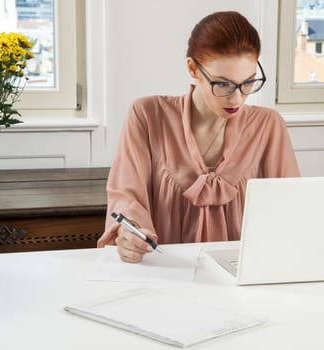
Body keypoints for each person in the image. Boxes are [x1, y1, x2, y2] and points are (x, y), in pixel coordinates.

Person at [98, 11, 300, 262]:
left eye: (248, 83)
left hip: (243, 281)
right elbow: (127, 196)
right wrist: (131, 233)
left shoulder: (268, 125)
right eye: (222, 84)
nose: (237, 98)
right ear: (192, 68)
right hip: (165, 276)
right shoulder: (147, 115)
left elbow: (290, 208)